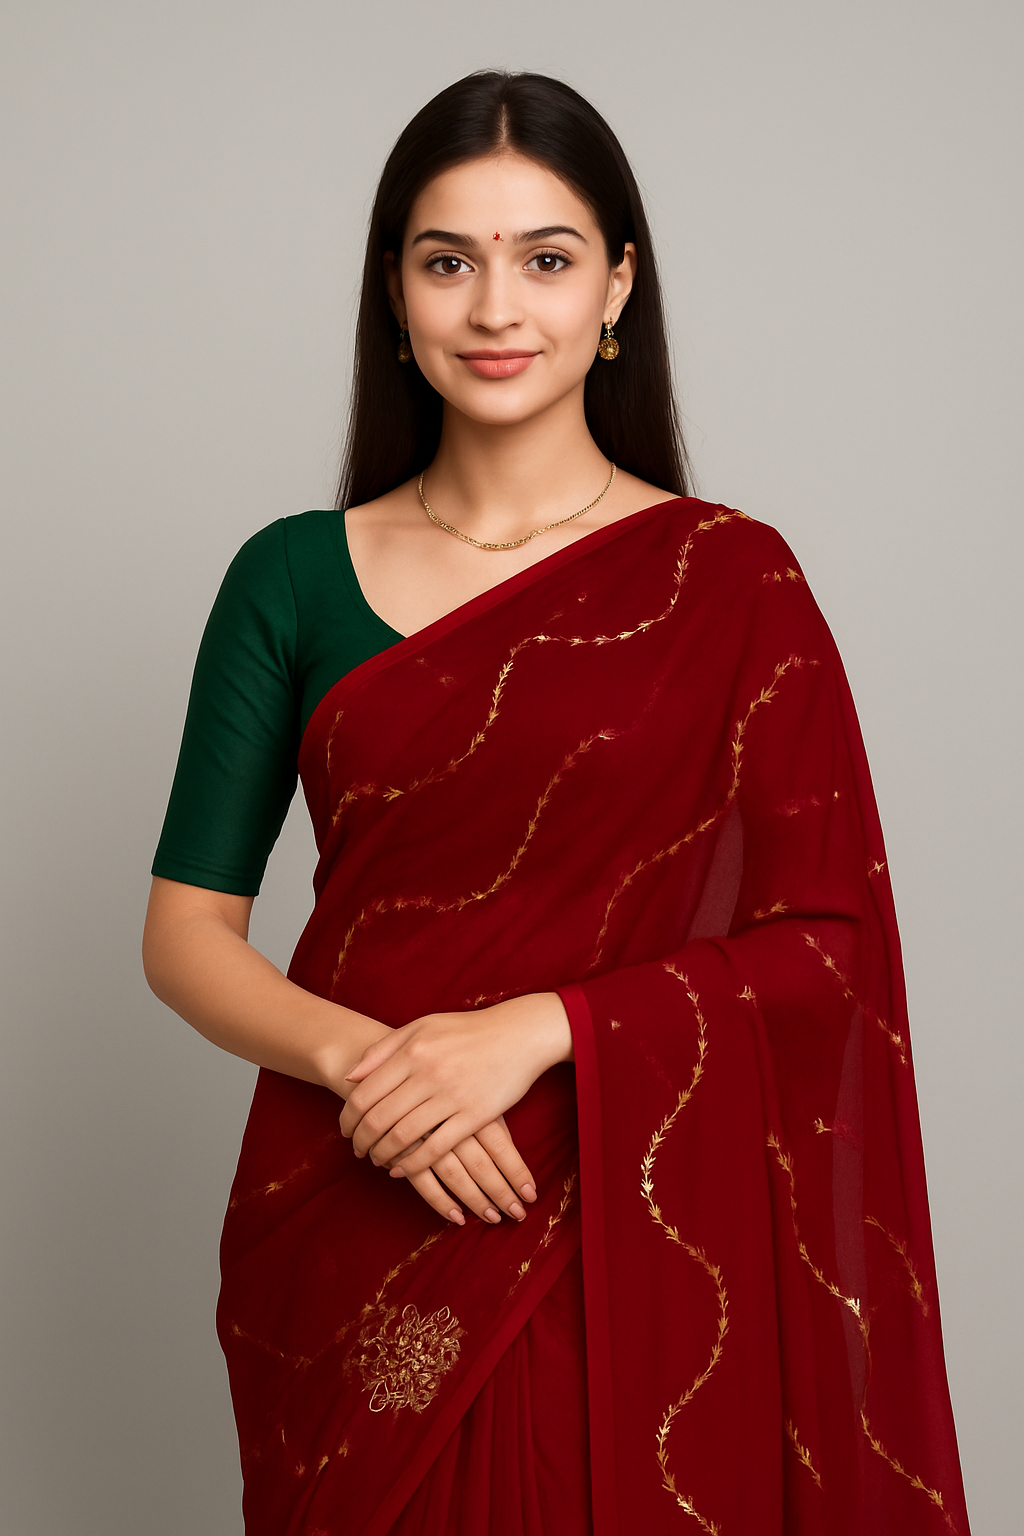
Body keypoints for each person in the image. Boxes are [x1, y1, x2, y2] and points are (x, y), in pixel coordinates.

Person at [143, 70, 969, 1536]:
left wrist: (539, 1033)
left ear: (617, 288)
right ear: (393, 293)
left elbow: (829, 948)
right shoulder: (291, 577)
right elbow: (186, 935)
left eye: (545, 258)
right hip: (361, 1199)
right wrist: (377, 1070)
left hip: (620, 1211)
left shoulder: (733, 581)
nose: (494, 308)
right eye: (446, 261)